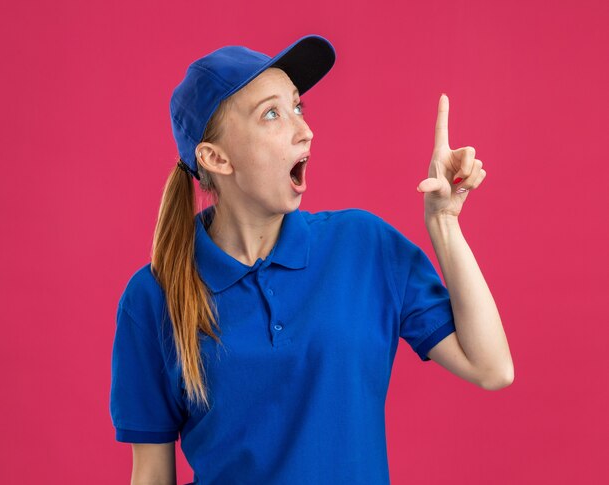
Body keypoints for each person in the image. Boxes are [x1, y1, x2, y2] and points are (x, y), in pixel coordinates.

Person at [109, 34, 513, 485]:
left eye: (297, 107)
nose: (305, 130)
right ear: (216, 157)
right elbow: (150, 473)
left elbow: (491, 367)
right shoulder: (152, 298)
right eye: (271, 114)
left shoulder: (363, 246)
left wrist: (445, 224)